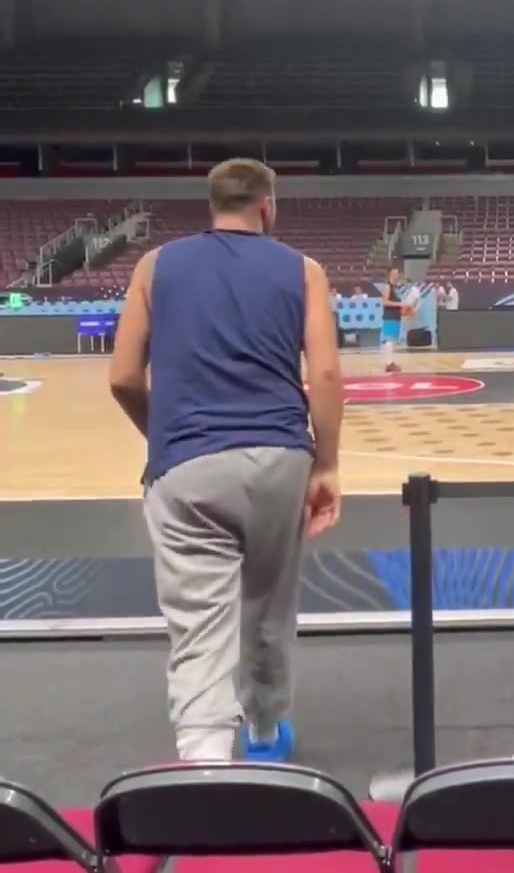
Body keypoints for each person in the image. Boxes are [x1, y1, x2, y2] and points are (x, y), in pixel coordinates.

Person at [108, 158, 343, 764]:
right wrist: (326, 466)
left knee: (198, 623)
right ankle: (265, 734)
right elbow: (323, 375)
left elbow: (123, 376)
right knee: (269, 603)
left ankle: (205, 756)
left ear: (212, 204)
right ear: (267, 206)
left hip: (187, 460)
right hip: (280, 457)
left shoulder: (154, 265)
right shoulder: (304, 270)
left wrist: (163, 435)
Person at [381, 268, 406, 373]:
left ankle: (390, 362)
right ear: (390, 274)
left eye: (398, 273)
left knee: (393, 340)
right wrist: (399, 304)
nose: (397, 275)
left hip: (396, 316)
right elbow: (385, 302)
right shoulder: (388, 286)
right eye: (395, 273)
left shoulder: (395, 288)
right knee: (389, 339)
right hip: (389, 316)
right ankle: (388, 363)